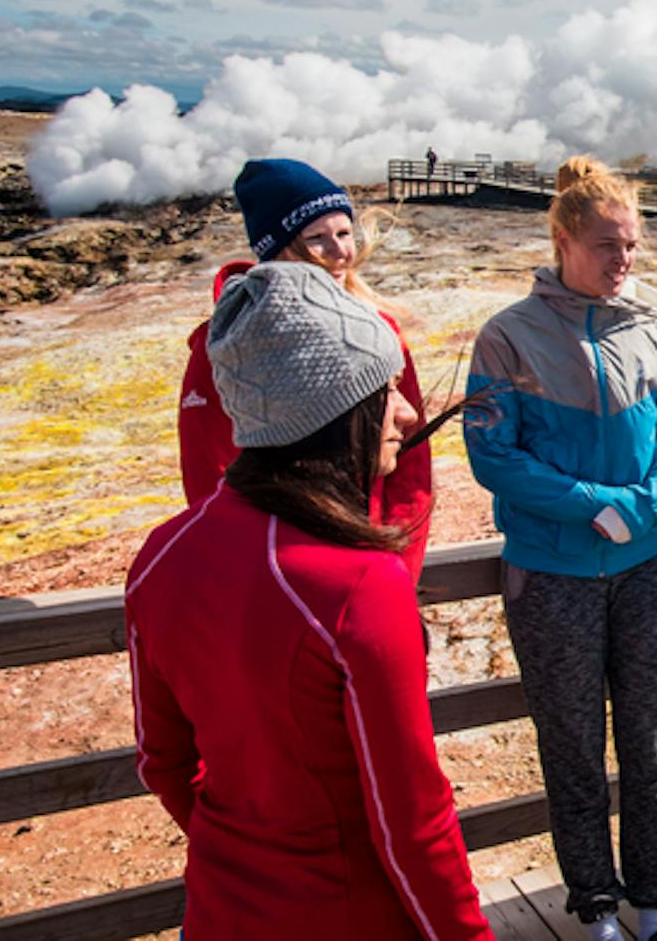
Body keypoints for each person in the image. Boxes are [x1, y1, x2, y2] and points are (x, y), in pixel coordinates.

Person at [127, 261, 492, 941]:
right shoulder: (356, 585)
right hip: (351, 916)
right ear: (332, 412)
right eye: (385, 390)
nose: (409, 411)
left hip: (220, 912)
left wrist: (249, 848)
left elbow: (162, 761)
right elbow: (411, 825)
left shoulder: (160, 559)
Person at [463, 156, 657, 941]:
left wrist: (648, 505)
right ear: (563, 240)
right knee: (571, 744)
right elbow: (493, 455)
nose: (623, 261)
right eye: (606, 246)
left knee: (653, 737)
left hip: (647, 567)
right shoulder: (507, 337)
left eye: (630, 245)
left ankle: (656, 907)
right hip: (554, 573)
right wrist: (597, 508)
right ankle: (596, 909)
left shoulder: (651, 327)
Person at [177, 158, 432, 582]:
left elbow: (412, 461)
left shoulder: (376, 330)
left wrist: (397, 567)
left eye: (345, 232)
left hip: (374, 558)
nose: (340, 252)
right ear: (274, 248)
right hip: (276, 567)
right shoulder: (222, 348)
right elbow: (210, 474)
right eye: (317, 238)